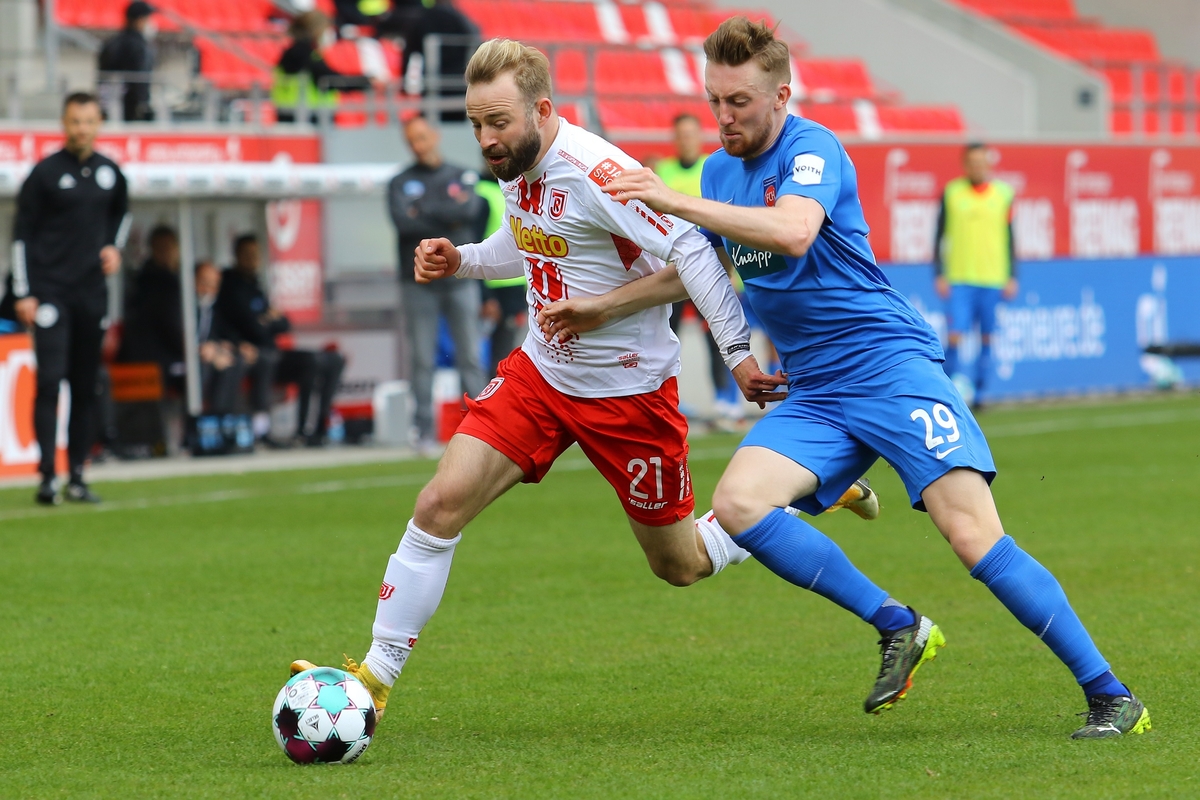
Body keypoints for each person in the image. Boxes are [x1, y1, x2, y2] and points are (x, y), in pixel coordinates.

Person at [538, 17, 1148, 740]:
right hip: (817, 390)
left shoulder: (811, 149)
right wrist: (602, 307)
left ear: (781, 96)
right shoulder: (717, 172)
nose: (723, 116)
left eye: (738, 101)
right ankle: (898, 624)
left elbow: (793, 230)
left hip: (889, 368)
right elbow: (701, 268)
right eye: (714, 100)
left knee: (972, 537)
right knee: (738, 505)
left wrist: (669, 201)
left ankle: (1113, 697)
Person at [292, 38, 892, 721]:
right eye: (475, 122)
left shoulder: (596, 171)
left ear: (542, 110)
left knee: (681, 564)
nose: (485, 139)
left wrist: (737, 355)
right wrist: (460, 258)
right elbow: (528, 240)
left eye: (497, 123)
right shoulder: (516, 160)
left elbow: (691, 247)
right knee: (439, 504)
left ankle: (788, 501)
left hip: (628, 394)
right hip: (541, 377)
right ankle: (375, 678)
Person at [8, 92, 129, 505]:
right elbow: (21, 236)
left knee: (85, 384)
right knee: (49, 382)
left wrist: (114, 247)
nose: (82, 129)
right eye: (75, 121)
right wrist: (24, 292)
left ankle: (78, 474)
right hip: (50, 294)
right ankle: (46, 477)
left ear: (99, 124)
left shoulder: (111, 173)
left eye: (90, 121)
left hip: (90, 294)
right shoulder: (44, 174)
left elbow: (122, 216)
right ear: (64, 123)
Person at [388, 113, 487, 453]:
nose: (418, 145)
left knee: (470, 356)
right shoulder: (398, 182)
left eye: (422, 137)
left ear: (434, 135)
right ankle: (424, 433)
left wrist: (423, 211)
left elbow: (470, 212)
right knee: (421, 359)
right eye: (411, 140)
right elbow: (404, 223)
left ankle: (480, 432)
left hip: (460, 279)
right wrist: (448, 210)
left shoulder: (462, 174)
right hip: (418, 282)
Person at [655, 112, 743, 430]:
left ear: (699, 136)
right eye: (680, 134)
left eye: (691, 134)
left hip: (712, 269)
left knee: (718, 336)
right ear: (674, 138)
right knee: (665, 338)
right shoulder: (662, 172)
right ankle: (667, 403)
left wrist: (729, 267)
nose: (686, 140)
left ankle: (725, 403)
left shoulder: (714, 167)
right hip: (675, 271)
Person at [215, 234, 345, 446]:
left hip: (271, 351)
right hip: (252, 354)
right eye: (247, 255)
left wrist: (267, 321)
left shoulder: (255, 284)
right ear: (237, 255)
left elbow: (284, 323)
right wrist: (268, 321)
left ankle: (315, 428)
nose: (252, 259)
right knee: (268, 359)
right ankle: (263, 430)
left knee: (325, 359)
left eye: (255, 255)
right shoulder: (231, 286)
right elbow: (254, 327)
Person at [933, 142, 1017, 407]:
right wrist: (939, 272)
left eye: (982, 162)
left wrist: (1013, 275)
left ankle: (980, 394)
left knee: (988, 336)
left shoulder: (1004, 193)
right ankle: (947, 391)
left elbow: (1011, 238)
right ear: (965, 164)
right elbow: (939, 234)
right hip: (960, 278)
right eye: (973, 162)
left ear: (989, 164)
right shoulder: (952, 192)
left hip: (994, 278)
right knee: (955, 334)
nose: (978, 167)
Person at [272, 10, 372, 124]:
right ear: (316, 31)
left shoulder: (292, 52)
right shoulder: (306, 54)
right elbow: (329, 79)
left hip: (292, 116)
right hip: (309, 118)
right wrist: (366, 82)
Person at [473, 170, 526, 378]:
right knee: (496, 355)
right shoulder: (482, 192)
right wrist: (486, 297)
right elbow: (475, 244)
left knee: (509, 352)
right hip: (494, 289)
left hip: (515, 286)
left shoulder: (514, 188)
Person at [119, 225, 183, 381]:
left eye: (169, 247)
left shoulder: (174, 277)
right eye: (160, 248)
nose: (166, 252)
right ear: (152, 249)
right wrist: (194, 349)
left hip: (165, 354)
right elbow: (169, 325)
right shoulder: (152, 282)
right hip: (154, 357)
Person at [402, 0, 478, 122]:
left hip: (432, 85)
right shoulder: (462, 20)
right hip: (460, 86)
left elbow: (409, 53)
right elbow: (476, 43)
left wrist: (405, 83)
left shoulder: (422, 18)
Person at [194, 260, 248, 415]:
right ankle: (204, 421)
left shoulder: (210, 308)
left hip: (205, 354)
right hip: (179, 360)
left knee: (233, 359)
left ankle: (224, 419)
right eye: (204, 283)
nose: (208, 290)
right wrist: (206, 351)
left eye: (214, 285)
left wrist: (221, 347)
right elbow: (178, 338)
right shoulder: (180, 305)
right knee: (208, 365)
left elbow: (215, 334)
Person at [97, 1, 156, 122]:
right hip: (131, 111)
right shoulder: (139, 46)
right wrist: (143, 106)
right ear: (140, 20)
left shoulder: (111, 43)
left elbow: (102, 81)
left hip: (110, 108)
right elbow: (140, 81)